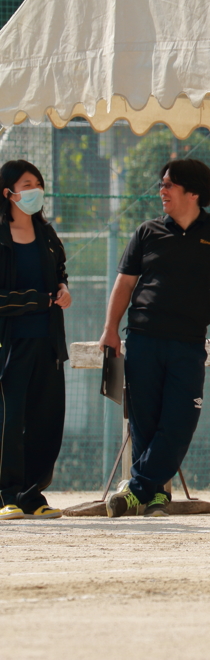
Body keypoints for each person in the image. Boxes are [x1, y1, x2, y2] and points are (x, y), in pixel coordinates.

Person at [99, 159, 210, 518]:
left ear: (192, 192)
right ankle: (154, 497)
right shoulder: (147, 232)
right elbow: (124, 283)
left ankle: (136, 489)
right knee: (144, 423)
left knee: (180, 420)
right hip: (142, 338)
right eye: (162, 184)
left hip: (188, 342)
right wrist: (109, 330)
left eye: (168, 184)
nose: (161, 191)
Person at [0, 160, 71, 520]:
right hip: (10, 345)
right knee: (9, 422)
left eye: (38, 184)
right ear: (7, 193)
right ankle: (6, 494)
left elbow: (60, 271)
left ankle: (32, 494)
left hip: (48, 342)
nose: (35, 191)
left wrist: (62, 289)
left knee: (46, 419)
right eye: (27, 185)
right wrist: (36, 300)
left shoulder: (47, 235)